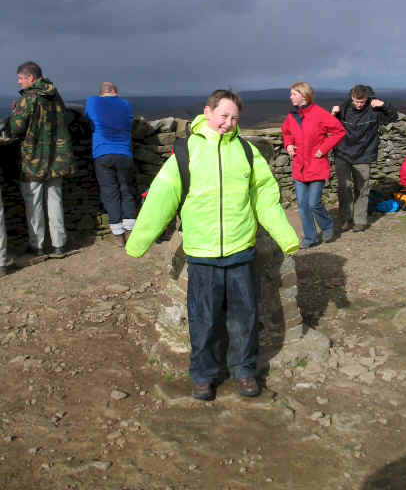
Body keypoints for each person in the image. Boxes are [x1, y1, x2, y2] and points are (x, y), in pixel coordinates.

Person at [126, 89, 299, 401]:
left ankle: (244, 371)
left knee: (243, 318)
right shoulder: (185, 151)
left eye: (234, 118)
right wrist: (138, 242)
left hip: (240, 251)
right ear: (207, 112)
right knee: (203, 320)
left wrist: (286, 237)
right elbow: (161, 197)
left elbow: (265, 198)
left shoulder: (247, 153)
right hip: (202, 255)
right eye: (223, 115)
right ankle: (204, 376)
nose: (228, 123)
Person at [9, 61, 75, 257]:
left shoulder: (28, 98)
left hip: (33, 159)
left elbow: (16, 128)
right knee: (55, 199)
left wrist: (15, 113)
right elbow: (67, 118)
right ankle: (59, 244)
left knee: (34, 202)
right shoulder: (55, 95)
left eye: (20, 78)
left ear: (31, 78)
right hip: (57, 157)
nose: (19, 82)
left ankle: (37, 246)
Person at [282, 82, 345, 248]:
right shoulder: (292, 115)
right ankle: (310, 238)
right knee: (302, 205)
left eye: (293, 94)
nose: (290, 97)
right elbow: (286, 132)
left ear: (304, 96)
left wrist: (323, 149)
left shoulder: (320, 114)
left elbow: (339, 131)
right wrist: (288, 144)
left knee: (313, 203)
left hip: (316, 165)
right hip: (299, 166)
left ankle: (327, 225)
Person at [331, 85, 398, 232]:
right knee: (345, 188)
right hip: (342, 153)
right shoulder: (343, 108)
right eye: (356, 101)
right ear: (352, 97)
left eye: (362, 102)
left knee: (362, 189)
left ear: (367, 98)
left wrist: (384, 105)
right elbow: (330, 127)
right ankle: (346, 219)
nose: (359, 105)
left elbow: (393, 117)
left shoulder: (374, 110)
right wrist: (334, 114)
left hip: (364, 155)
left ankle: (360, 221)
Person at [85, 82, 136, 247]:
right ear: (115, 92)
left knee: (110, 192)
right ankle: (130, 230)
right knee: (126, 191)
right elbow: (129, 122)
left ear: (101, 93)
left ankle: (118, 234)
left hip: (102, 153)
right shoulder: (125, 104)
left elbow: (87, 118)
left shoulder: (93, 101)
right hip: (124, 154)